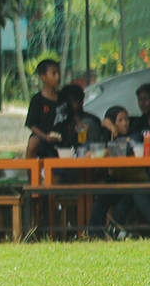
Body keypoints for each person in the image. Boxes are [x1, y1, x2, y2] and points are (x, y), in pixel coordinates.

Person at [88, 105, 150, 238]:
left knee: (130, 196)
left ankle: (112, 233)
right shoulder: (106, 137)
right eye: (120, 120)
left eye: (126, 119)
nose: (125, 123)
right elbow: (89, 150)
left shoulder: (135, 136)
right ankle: (93, 235)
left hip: (138, 181)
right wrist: (111, 132)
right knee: (102, 198)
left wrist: (114, 132)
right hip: (117, 181)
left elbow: (127, 147)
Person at [25, 59, 67, 159]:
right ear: (43, 77)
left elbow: (73, 116)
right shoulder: (37, 100)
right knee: (32, 142)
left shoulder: (63, 98)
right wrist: (46, 137)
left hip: (62, 141)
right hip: (43, 140)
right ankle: (32, 174)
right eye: (54, 74)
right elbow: (31, 124)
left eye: (58, 73)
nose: (58, 77)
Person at [59, 83, 103, 148]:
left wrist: (81, 131)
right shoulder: (64, 121)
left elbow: (84, 147)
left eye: (70, 102)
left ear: (80, 102)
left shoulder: (87, 122)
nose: (66, 106)